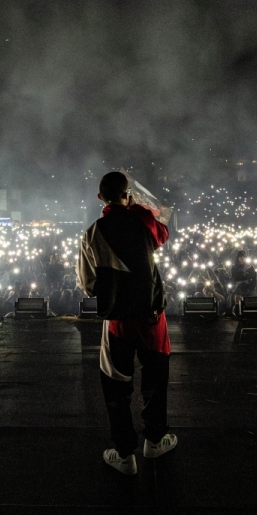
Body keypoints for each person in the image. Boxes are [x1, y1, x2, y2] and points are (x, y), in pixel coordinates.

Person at [77, 171, 175, 475]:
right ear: (127, 193)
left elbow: (87, 285)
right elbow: (163, 234)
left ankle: (124, 454)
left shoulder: (94, 232)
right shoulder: (144, 219)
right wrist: (140, 208)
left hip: (118, 321)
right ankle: (155, 441)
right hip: (151, 318)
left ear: (99, 198)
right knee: (155, 380)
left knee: (117, 388)